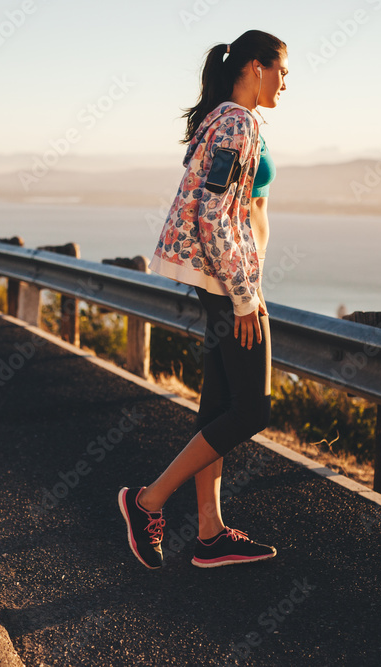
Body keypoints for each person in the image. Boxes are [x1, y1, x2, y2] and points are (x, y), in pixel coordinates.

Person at [119, 30, 287, 569]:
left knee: (218, 406)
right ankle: (147, 501)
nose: (286, 84)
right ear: (256, 67)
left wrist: (249, 286)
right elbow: (214, 219)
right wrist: (244, 297)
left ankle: (210, 534)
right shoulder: (238, 122)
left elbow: (238, 211)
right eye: (282, 71)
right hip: (227, 285)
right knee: (252, 410)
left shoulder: (222, 117)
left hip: (228, 281)